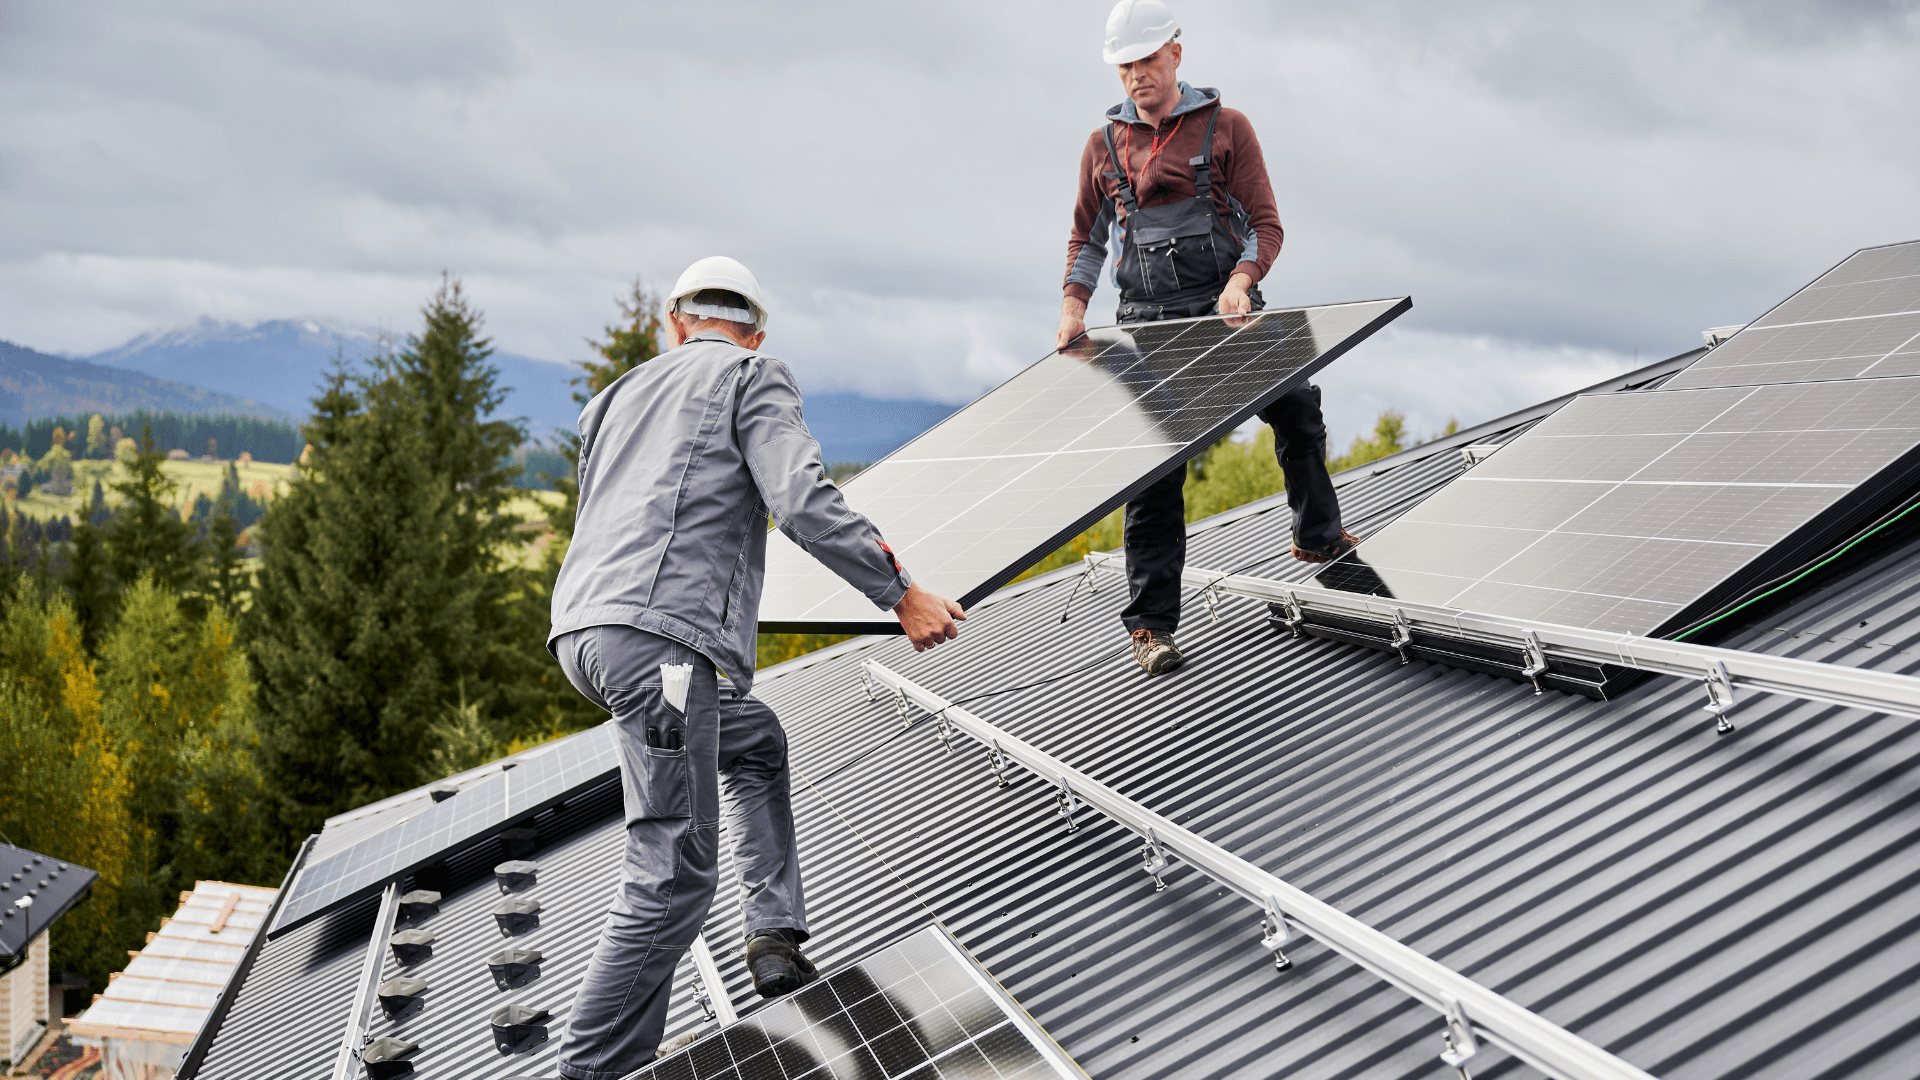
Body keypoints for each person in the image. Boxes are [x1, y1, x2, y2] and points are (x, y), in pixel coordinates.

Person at [547, 255, 966, 1080]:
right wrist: (901, 592)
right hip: (660, 648)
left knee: (755, 738)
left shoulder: (615, 396)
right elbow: (803, 500)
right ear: (755, 331)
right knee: (670, 880)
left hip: (584, 637)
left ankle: (773, 935)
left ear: (675, 325)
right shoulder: (753, 374)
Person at [1058, 0, 1359, 678]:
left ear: (1176, 54)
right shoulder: (1103, 146)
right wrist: (1073, 307)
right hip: (1147, 328)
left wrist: (1243, 278)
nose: (1137, 75)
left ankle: (1316, 537)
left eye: (1147, 60)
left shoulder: (1228, 128)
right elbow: (1087, 238)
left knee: (1297, 409)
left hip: (1228, 313)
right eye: (1125, 65)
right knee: (1154, 476)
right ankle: (1151, 629)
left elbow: (1265, 225)